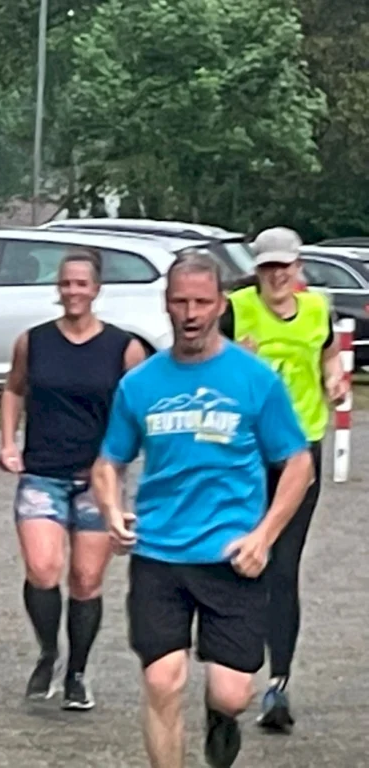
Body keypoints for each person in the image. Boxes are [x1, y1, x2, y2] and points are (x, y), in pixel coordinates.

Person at [91, 250, 313, 768]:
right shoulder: (140, 383)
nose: (190, 314)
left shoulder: (253, 378)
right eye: (180, 302)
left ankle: (222, 718)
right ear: (166, 305)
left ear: (220, 306)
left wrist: (264, 536)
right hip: (160, 553)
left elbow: (298, 464)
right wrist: (111, 506)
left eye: (201, 302)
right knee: (162, 682)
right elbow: (108, 461)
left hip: (232, 554)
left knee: (232, 692)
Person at [0, 248, 146, 710]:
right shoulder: (34, 341)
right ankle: (48, 652)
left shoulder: (124, 347)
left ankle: (78, 672)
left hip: (96, 478)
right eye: (66, 283)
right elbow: (13, 388)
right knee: (42, 569)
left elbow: (142, 408)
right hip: (42, 471)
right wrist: (8, 441)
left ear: (97, 289)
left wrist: (128, 464)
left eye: (81, 283)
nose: (73, 291)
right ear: (57, 288)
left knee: (85, 578)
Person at [219, 227, 347, 732]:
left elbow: (327, 357)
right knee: (240, 559)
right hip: (243, 454)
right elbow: (203, 368)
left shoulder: (318, 309)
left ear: (297, 268)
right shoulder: (235, 309)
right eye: (268, 267)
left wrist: (334, 378)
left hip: (300, 451)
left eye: (284, 267)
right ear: (258, 269)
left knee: (282, 566)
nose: (276, 276)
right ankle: (231, 674)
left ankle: (279, 685)